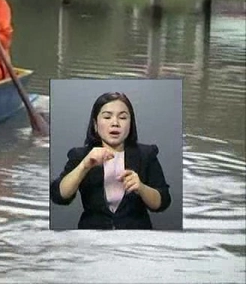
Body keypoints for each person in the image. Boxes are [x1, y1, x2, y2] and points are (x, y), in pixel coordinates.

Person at [49, 91, 172, 230]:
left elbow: (163, 202)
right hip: (92, 237)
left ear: (130, 124)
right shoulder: (81, 155)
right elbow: (58, 196)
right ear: (95, 124)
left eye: (123, 117)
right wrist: (84, 166)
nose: (115, 123)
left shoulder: (146, 154)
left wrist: (141, 188)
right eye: (107, 117)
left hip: (136, 237)